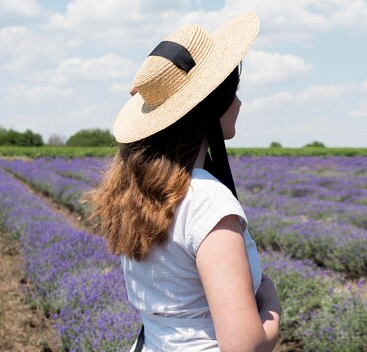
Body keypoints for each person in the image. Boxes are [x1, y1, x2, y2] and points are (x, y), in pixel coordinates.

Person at [83, 12, 281, 352]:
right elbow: (243, 346)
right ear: (212, 107)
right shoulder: (208, 202)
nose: (239, 102)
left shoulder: (138, 191)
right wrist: (272, 302)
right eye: (234, 92)